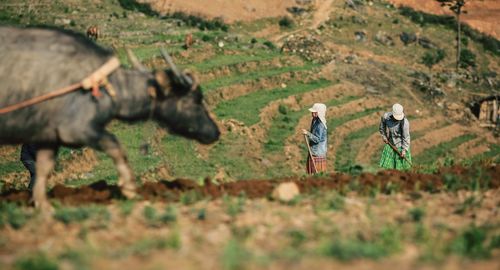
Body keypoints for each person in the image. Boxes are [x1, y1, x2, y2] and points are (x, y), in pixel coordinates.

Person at [379, 103, 412, 170]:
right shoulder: (386, 117)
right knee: (388, 168)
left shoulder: (404, 123)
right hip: (390, 144)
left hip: (401, 146)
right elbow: (382, 128)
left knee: (401, 169)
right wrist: (384, 137)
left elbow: (406, 137)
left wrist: (404, 150)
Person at [302, 103, 328, 174]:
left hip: (318, 153)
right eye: (312, 112)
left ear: (319, 113)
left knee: (316, 173)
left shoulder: (320, 125)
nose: (312, 114)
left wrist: (307, 133)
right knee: (311, 172)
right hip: (313, 151)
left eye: (314, 112)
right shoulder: (314, 121)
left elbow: (317, 139)